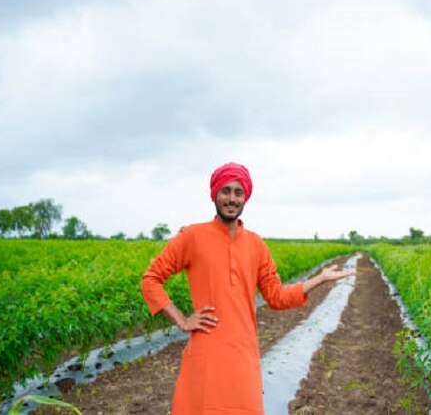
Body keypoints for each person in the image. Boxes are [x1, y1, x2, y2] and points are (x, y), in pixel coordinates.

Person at [141, 162, 354, 414]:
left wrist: (317, 279)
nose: (231, 198)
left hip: (244, 355)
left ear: (246, 198)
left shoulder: (256, 245)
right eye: (226, 191)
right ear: (215, 195)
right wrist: (182, 321)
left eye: (238, 192)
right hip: (207, 353)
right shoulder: (192, 237)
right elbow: (150, 279)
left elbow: (276, 296)